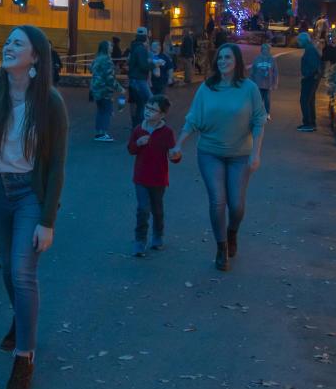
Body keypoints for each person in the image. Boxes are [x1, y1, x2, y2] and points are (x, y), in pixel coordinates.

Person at [0, 25, 68, 389]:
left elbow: (56, 166)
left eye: (18, 43)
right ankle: (21, 321)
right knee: (8, 268)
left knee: (23, 273)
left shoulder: (50, 102)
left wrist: (47, 221)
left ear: (35, 57)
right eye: (7, 42)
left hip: (27, 195)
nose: (8, 47)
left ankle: (24, 356)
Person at [170, 43, 266, 272]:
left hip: (240, 155)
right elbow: (193, 118)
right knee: (217, 201)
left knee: (236, 205)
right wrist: (178, 144)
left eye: (228, 57)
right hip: (210, 152)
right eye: (220, 58)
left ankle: (232, 233)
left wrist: (256, 153)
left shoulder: (249, 89)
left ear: (237, 62)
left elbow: (259, 120)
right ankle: (221, 248)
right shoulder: (207, 88)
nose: (223, 61)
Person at [127, 94, 176, 257]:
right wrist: (138, 143)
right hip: (141, 177)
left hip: (159, 178)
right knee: (143, 209)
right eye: (147, 108)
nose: (148, 112)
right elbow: (130, 149)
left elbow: (173, 154)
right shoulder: (138, 129)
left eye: (153, 110)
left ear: (162, 114)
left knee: (157, 209)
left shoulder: (167, 132)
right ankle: (140, 240)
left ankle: (157, 235)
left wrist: (176, 156)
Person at [89, 40, 125, 142]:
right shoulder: (107, 60)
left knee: (100, 111)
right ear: (106, 48)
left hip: (96, 89)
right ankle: (103, 133)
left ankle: (99, 133)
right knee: (106, 111)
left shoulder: (97, 59)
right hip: (104, 90)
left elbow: (91, 69)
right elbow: (110, 78)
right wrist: (120, 88)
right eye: (110, 46)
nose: (112, 47)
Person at [126, 27, 153, 129]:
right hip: (139, 79)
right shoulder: (141, 49)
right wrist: (154, 65)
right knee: (146, 101)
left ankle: (136, 125)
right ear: (146, 37)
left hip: (133, 79)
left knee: (135, 102)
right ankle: (141, 126)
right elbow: (143, 66)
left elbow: (130, 62)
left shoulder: (133, 47)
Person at [298, 31, 321, 132]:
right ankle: (311, 122)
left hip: (310, 78)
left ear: (304, 41)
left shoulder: (310, 50)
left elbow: (313, 67)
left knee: (305, 100)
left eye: (299, 41)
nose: (298, 43)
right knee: (310, 100)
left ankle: (308, 123)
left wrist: (306, 75)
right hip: (313, 78)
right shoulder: (311, 49)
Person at [249, 42, 280, 117]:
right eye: (264, 49)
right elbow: (252, 71)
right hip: (258, 83)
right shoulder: (257, 59)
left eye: (268, 49)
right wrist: (251, 82)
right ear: (261, 50)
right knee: (258, 100)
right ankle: (257, 113)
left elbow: (275, 72)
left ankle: (267, 113)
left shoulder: (272, 59)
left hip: (268, 84)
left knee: (267, 100)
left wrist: (275, 83)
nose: (266, 51)